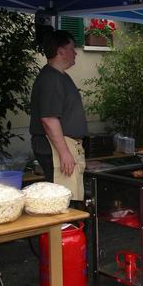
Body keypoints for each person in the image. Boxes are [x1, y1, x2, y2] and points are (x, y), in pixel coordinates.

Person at [29, 30, 88, 202]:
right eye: (71, 48)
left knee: (70, 196)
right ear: (60, 51)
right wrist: (64, 152)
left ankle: (69, 229)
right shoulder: (50, 78)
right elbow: (48, 119)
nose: (75, 52)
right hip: (56, 146)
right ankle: (63, 229)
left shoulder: (60, 76)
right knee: (62, 199)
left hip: (67, 144)